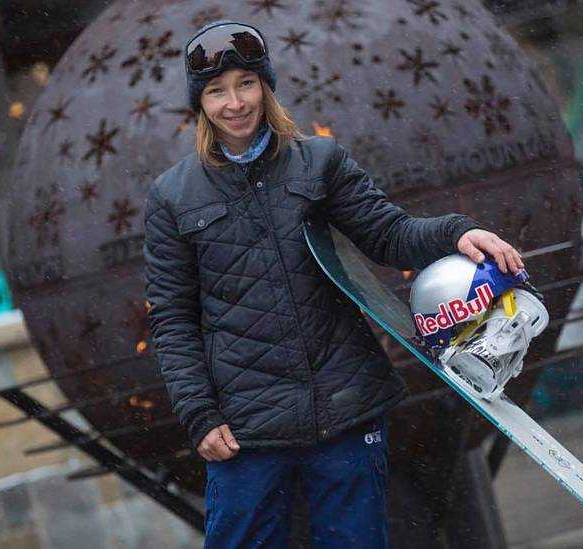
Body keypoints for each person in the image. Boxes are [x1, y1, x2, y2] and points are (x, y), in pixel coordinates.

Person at [143, 20, 524, 549]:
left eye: (246, 83)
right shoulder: (173, 195)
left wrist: (458, 232)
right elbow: (173, 318)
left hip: (344, 408)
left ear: (266, 84)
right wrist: (199, 414)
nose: (235, 103)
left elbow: (389, 234)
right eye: (216, 91)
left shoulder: (318, 161)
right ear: (199, 103)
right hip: (244, 429)